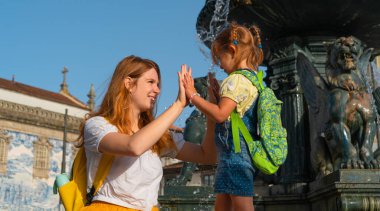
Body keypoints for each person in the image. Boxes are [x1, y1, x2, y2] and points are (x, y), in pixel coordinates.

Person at [77, 55, 217, 211]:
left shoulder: (159, 136)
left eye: (158, 84)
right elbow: (134, 146)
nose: (157, 90)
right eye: (151, 82)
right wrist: (178, 105)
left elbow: (207, 155)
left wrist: (210, 110)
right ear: (129, 84)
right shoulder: (97, 125)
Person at [183, 22, 264, 211]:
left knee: (243, 206)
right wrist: (217, 97)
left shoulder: (234, 80)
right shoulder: (250, 77)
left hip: (235, 154)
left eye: (220, 57)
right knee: (223, 204)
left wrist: (193, 96)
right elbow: (232, 112)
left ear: (233, 50)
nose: (219, 64)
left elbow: (220, 115)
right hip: (233, 154)